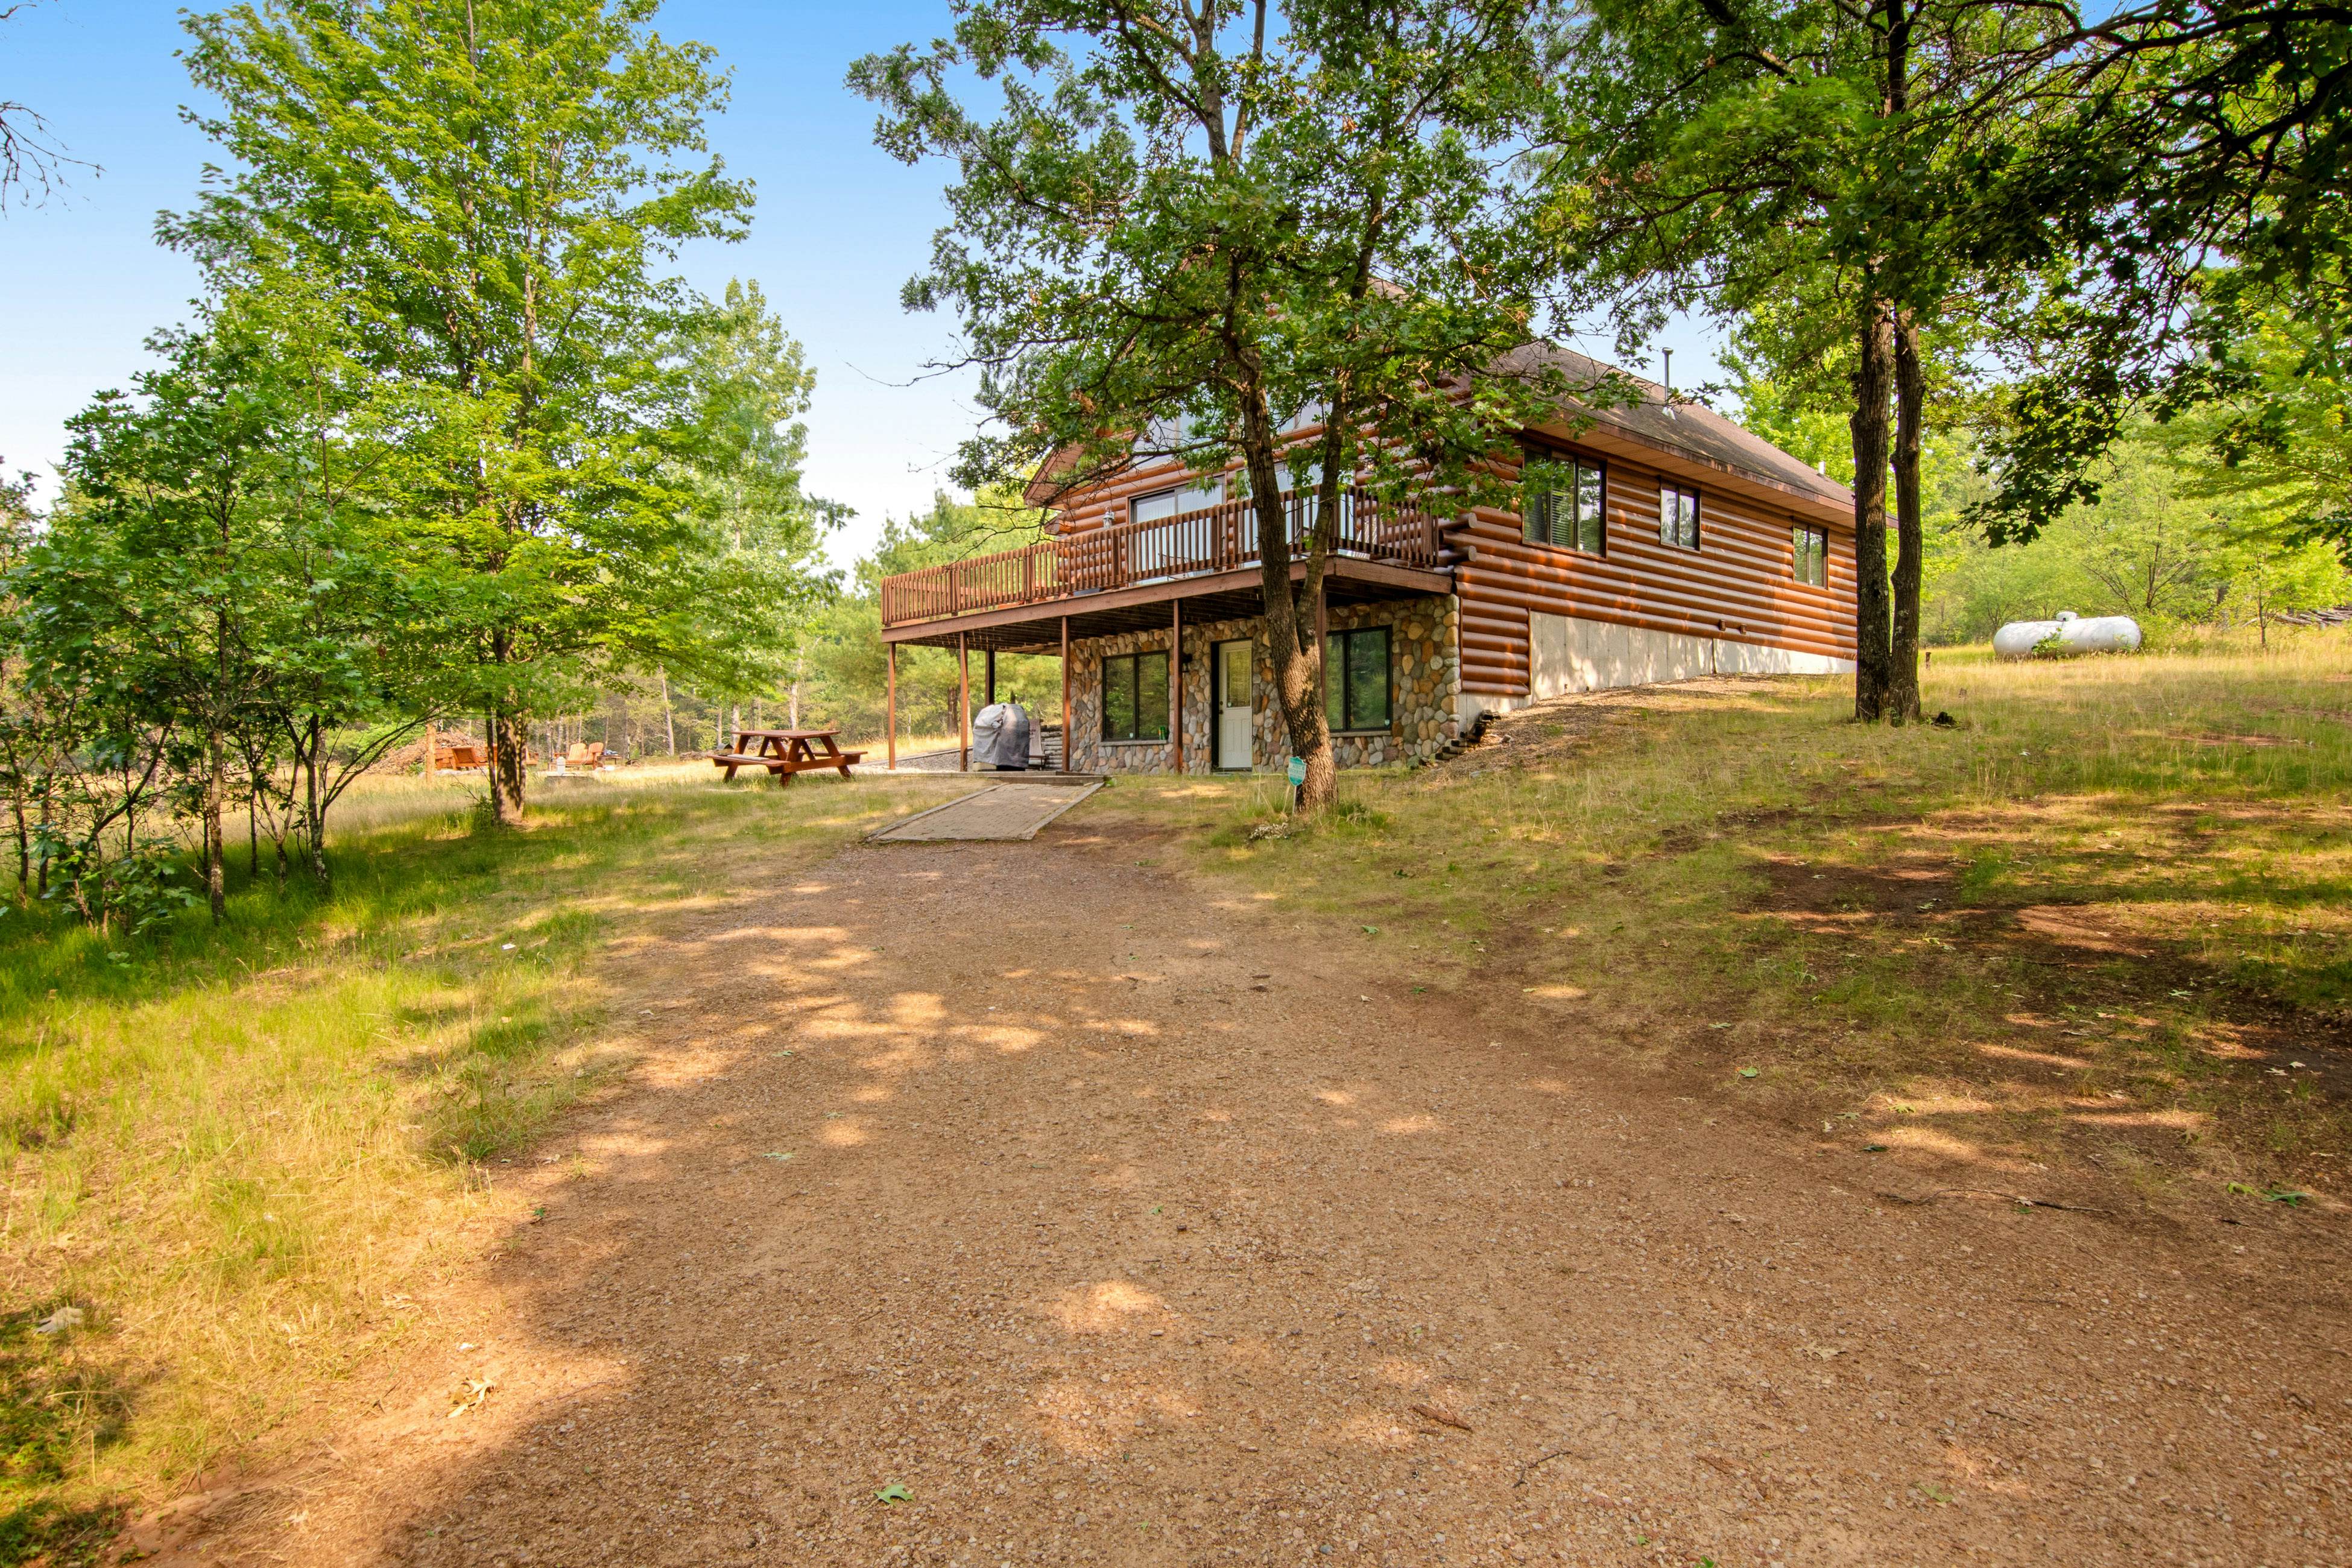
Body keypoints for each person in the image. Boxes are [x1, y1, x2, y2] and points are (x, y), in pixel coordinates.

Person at [970, 691, 1032, 771]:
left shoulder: (1002, 715)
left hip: (1005, 754)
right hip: (1014, 753)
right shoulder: (1013, 713)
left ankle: (1008, 764)